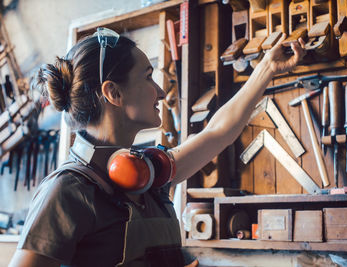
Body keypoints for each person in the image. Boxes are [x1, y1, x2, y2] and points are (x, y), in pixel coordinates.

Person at [9, 27, 305, 267]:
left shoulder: (148, 173)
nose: (162, 92)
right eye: (148, 76)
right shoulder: (67, 191)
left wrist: (267, 67)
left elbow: (219, 132)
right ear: (113, 92)